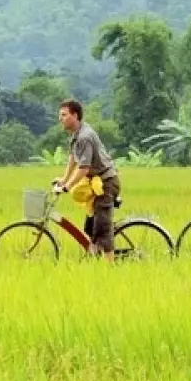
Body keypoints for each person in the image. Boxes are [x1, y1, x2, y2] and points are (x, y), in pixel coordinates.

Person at [54, 99, 121, 263]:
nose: (60, 118)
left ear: (75, 115)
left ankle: (110, 268)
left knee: (102, 229)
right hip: (96, 183)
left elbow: (83, 167)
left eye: (64, 115)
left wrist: (68, 187)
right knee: (90, 227)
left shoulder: (85, 136)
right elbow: (73, 158)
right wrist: (64, 179)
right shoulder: (76, 135)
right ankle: (95, 256)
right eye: (60, 115)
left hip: (106, 183)